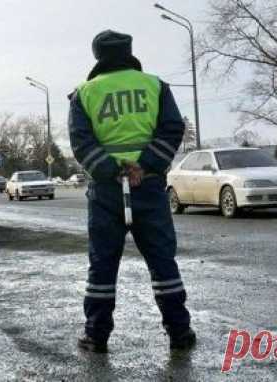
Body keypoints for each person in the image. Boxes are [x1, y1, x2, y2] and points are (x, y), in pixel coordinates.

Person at [68, 30, 195, 353]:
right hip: (149, 185)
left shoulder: (84, 93)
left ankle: (96, 336)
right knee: (162, 260)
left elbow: (82, 143)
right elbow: (172, 129)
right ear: (129, 51)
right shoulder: (155, 86)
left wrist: (112, 170)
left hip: (107, 192)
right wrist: (146, 164)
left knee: (102, 264)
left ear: (97, 55)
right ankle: (180, 332)